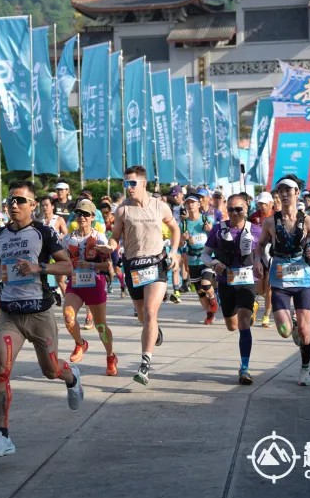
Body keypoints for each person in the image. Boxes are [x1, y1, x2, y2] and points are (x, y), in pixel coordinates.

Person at [0, 181, 83, 460]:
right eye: (10, 200)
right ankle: (2, 435)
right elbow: (2, 263)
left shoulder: (43, 232)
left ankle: (71, 376)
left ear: (33, 205)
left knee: (50, 370)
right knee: (0, 369)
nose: (14, 205)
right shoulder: (0, 233)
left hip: (39, 313)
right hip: (10, 314)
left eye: (20, 200)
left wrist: (40, 267)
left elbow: (67, 266)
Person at [111, 165, 180, 386]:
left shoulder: (160, 206)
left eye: (132, 183)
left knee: (150, 311)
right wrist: (109, 246)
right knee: (143, 316)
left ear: (143, 183)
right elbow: (115, 237)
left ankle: (144, 364)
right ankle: (154, 330)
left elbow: (175, 228)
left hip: (156, 264)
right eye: (126, 183)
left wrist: (174, 252)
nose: (129, 187)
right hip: (133, 266)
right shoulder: (122, 210)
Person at [254, 175, 310, 387]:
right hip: (280, 280)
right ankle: (291, 325)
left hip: (303, 280)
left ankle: (305, 369)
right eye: (281, 191)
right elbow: (260, 245)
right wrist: (258, 260)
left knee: (305, 331)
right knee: (285, 331)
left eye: (288, 191)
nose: (284, 195)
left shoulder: (308, 221)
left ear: (296, 193)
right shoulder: (270, 221)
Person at [206, 192, 260, 384]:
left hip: (247, 280)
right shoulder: (218, 229)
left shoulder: (256, 230)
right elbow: (205, 254)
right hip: (226, 281)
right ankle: (250, 309)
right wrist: (214, 263)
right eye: (231, 209)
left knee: (244, 322)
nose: (235, 213)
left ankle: (244, 368)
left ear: (247, 209)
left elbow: (264, 252)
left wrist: (261, 263)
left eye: (239, 209)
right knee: (232, 326)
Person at [63, 199, 119, 376]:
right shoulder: (67, 239)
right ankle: (80, 343)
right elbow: (62, 262)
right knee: (68, 317)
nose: (82, 217)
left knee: (101, 326)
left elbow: (108, 266)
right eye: (79, 213)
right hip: (75, 284)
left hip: (95, 284)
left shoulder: (99, 237)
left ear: (93, 217)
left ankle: (110, 356)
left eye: (86, 214)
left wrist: (91, 265)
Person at [179, 192, 218, 323]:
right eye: (188, 203)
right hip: (192, 259)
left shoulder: (207, 220)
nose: (190, 205)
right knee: (200, 291)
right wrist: (182, 239)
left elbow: (217, 238)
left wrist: (211, 230)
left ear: (198, 204)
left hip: (207, 257)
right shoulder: (183, 224)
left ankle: (212, 298)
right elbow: (179, 244)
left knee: (206, 284)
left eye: (193, 202)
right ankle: (209, 313)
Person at [250, 191, 275, 327]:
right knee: (260, 289)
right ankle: (255, 305)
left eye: (265, 204)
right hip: (258, 254)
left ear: (271, 203)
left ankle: (266, 315)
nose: (262, 206)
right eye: (260, 204)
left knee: (269, 287)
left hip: (272, 255)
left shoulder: (277, 217)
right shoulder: (253, 217)